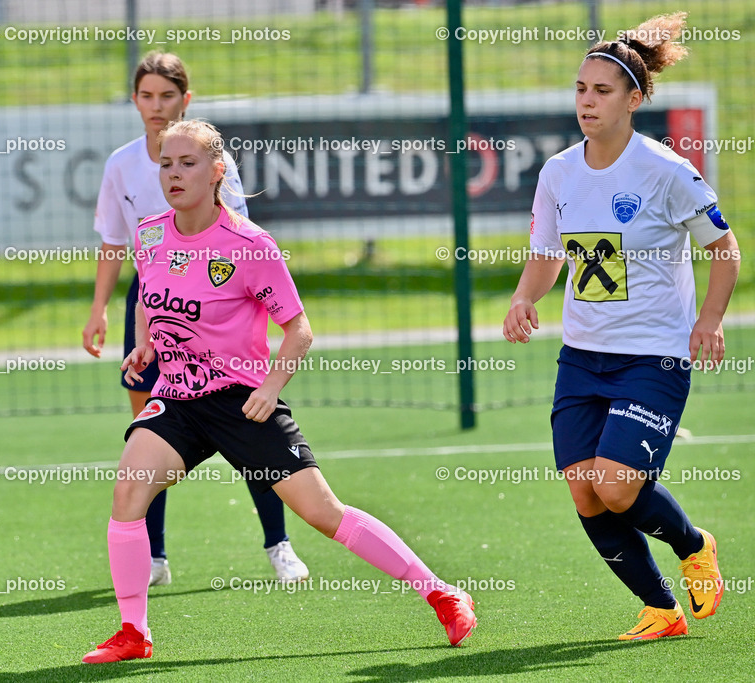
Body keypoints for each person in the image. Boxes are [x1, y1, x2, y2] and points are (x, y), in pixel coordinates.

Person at [81, 120, 476, 663]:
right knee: (128, 492)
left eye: (188, 163)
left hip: (242, 400)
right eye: (166, 164)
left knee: (324, 513)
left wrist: (271, 386)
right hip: (176, 398)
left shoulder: (250, 245)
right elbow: (149, 297)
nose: (173, 174)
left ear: (217, 172)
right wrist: (146, 343)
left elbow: (299, 330)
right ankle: (134, 632)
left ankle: (442, 593)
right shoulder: (150, 234)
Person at [503, 12, 738, 641]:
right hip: (582, 356)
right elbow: (548, 254)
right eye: (581, 89)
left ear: (633, 100)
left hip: (653, 356)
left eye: (602, 91)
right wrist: (525, 297)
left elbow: (725, 249)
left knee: (615, 486)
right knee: (586, 493)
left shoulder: (666, 171)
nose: (587, 101)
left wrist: (710, 320)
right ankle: (661, 611)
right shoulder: (558, 173)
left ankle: (693, 545)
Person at [82, 52, 308, 586]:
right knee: (147, 436)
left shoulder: (209, 160)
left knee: (250, 432)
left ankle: (279, 544)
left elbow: (238, 247)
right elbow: (116, 242)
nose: (156, 106)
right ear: (134, 101)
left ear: (185, 99)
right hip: (153, 303)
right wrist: (100, 309)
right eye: (146, 95)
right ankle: (154, 556)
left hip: (214, 303)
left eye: (167, 95)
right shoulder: (122, 164)